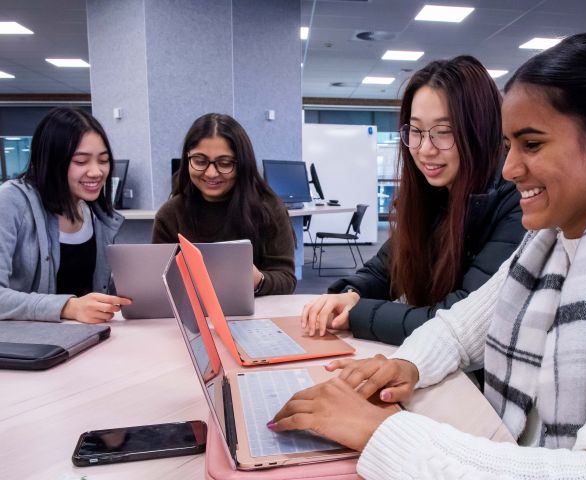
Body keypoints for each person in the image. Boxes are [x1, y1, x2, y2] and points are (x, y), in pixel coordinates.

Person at [270, 33, 586, 478]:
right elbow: (459, 328)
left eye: (533, 144)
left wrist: (381, 432)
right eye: (509, 146)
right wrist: (405, 365)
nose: (508, 169)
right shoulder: (548, 244)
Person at [302, 56, 524, 345]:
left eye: (444, 132)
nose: (425, 149)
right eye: (416, 131)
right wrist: (351, 293)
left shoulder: (516, 203)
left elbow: (457, 319)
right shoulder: (435, 194)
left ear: (481, 130)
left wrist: (357, 313)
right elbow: (388, 268)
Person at [0, 107, 131, 323]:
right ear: (52, 161)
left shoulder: (95, 215)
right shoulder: (11, 201)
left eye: (104, 160)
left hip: (85, 341)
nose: (97, 171)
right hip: (27, 347)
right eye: (81, 161)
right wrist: (68, 307)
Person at [152, 113, 296, 295]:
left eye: (225, 163)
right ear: (187, 159)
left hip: (256, 314)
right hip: (191, 314)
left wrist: (258, 280)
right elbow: (159, 281)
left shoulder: (268, 208)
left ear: (243, 164)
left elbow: (287, 279)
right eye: (199, 161)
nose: (211, 173)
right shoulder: (170, 214)